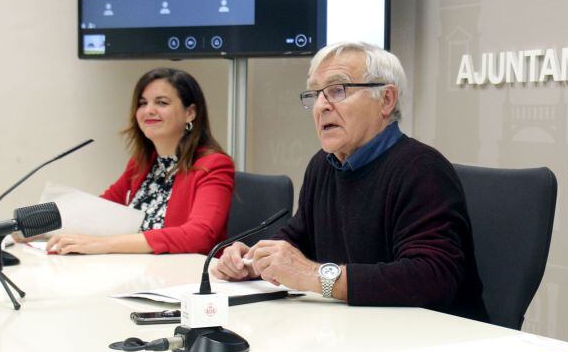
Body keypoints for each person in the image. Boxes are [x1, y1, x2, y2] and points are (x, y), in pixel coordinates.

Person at [214, 42, 487, 321]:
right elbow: (298, 238)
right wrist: (256, 261)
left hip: (434, 341)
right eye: (315, 94)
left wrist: (313, 275)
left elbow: (431, 276)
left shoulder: (422, 168)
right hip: (358, 331)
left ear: (386, 100)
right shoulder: (324, 164)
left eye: (337, 90)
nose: (321, 106)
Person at [46, 68, 233, 255]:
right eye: (142, 103)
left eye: (161, 102)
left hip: (184, 275)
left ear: (190, 113)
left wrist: (105, 244)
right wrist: (41, 228)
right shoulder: (142, 163)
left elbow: (199, 235)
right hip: (138, 268)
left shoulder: (213, 165)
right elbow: (100, 209)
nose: (149, 111)